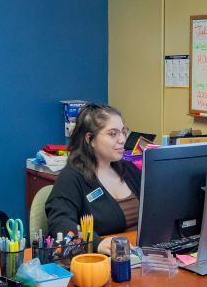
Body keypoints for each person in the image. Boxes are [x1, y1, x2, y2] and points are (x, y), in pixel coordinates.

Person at [46, 103, 141, 255]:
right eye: (113, 133)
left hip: (139, 253)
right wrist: (97, 243)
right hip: (102, 261)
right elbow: (59, 224)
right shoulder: (72, 177)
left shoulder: (129, 169)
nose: (122, 139)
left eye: (123, 132)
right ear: (90, 139)